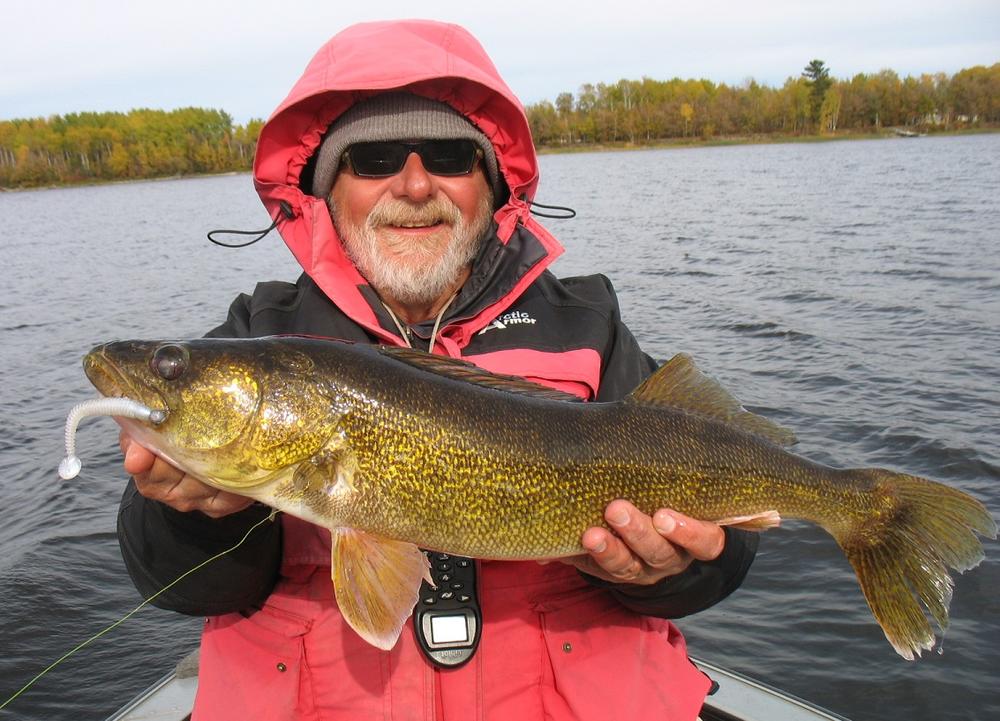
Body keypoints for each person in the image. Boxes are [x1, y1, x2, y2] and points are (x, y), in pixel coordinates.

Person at [117, 19, 757, 721]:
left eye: (452, 156)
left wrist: (673, 570)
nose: (415, 184)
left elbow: (724, 554)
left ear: (490, 183)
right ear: (329, 190)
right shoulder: (257, 338)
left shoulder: (591, 327)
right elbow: (182, 585)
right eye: (375, 157)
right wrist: (194, 518)